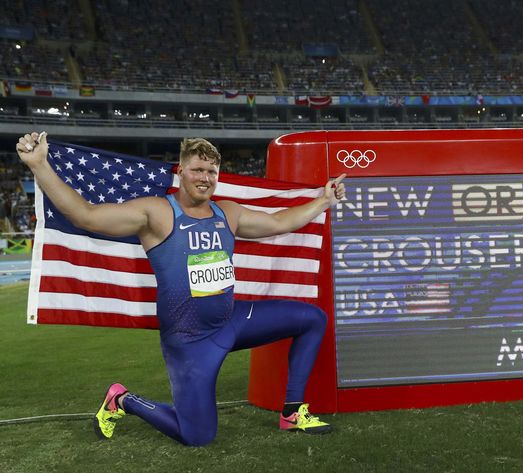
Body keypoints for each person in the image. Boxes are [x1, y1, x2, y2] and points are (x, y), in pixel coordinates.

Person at [16, 131, 346, 446]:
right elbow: (85, 216)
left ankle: (292, 412)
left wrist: (324, 201)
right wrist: (39, 166)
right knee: (197, 437)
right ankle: (123, 399)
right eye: (198, 169)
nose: (205, 177)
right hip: (190, 344)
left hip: (231, 320)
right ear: (182, 171)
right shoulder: (157, 212)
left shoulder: (227, 213)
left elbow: (278, 223)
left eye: (211, 171)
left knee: (312, 319)